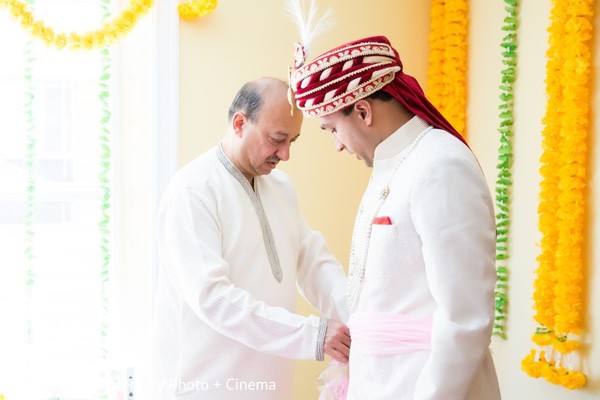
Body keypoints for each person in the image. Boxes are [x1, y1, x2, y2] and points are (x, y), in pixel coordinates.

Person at [289, 36, 501, 399]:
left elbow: (465, 318)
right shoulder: (394, 166)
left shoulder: (440, 166)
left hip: (422, 385)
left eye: (332, 129)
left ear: (363, 111)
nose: (337, 144)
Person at [151, 76, 350, 400]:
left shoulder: (281, 188)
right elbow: (212, 297)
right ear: (240, 123)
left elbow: (314, 262)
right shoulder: (192, 191)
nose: (285, 154)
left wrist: (360, 314)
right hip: (203, 389)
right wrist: (310, 334)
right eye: (277, 139)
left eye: (292, 142)